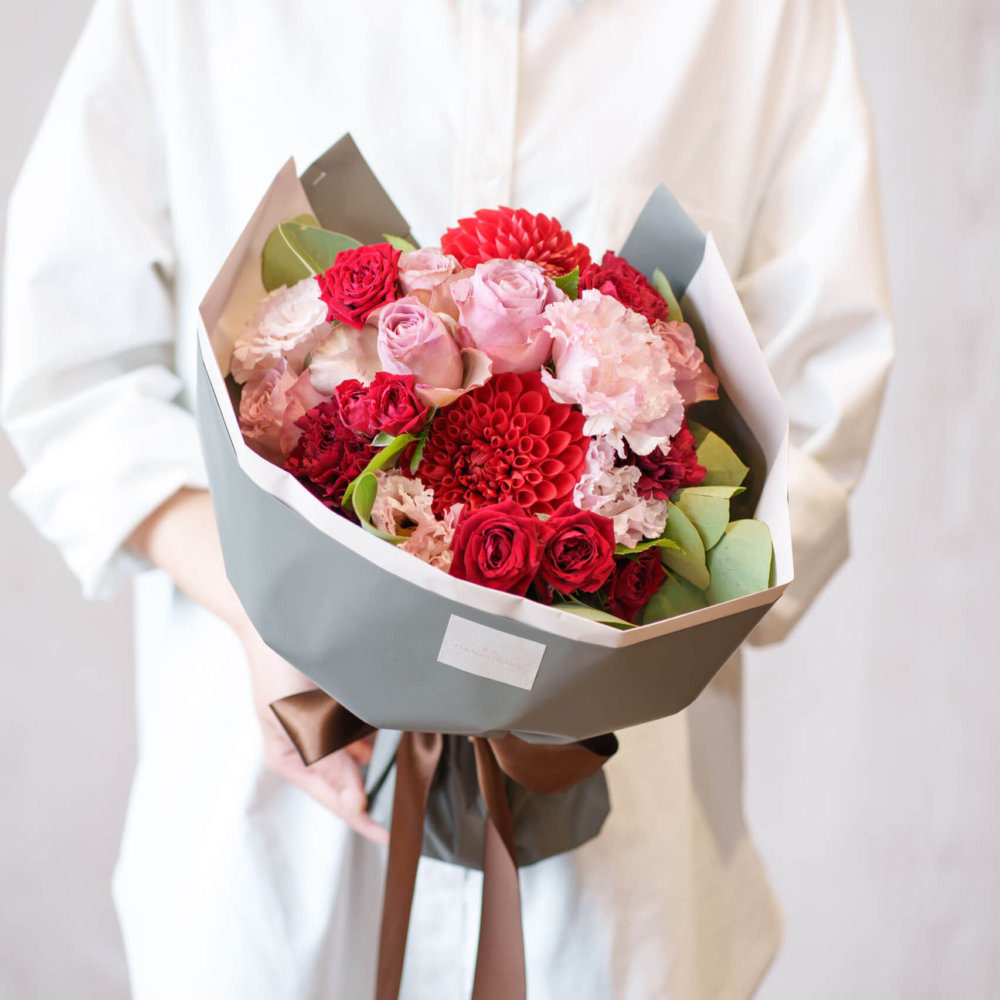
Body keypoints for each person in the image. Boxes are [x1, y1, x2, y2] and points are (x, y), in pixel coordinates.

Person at [1, 0, 893, 997]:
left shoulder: (760, 19)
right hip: (271, 858)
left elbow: (817, 408)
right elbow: (71, 370)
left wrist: (597, 627)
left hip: (620, 883)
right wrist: (261, 607)